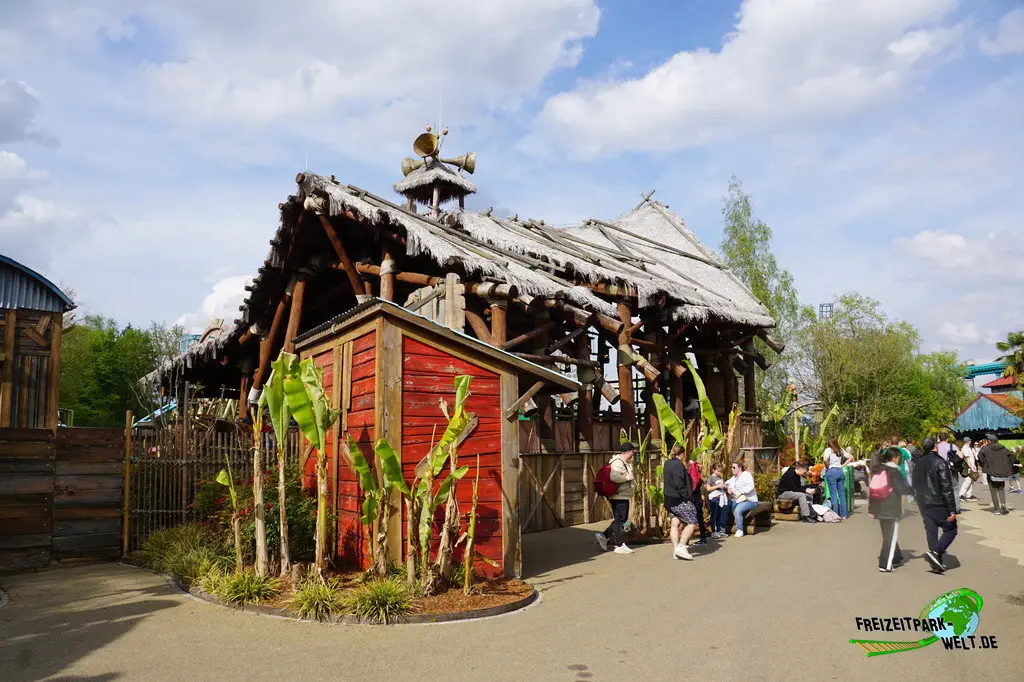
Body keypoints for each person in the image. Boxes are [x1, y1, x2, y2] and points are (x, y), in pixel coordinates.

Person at [913, 437, 958, 573]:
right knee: (951, 529)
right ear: (935, 447)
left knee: (931, 530)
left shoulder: (918, 463)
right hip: (938, 501)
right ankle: (936, 552)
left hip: (923, 501)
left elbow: (915, 483)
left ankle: (936, 561)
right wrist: (952, 509)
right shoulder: (939, 461)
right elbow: (946, 486)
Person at [869, 447, 911, 572]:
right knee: (890, 537)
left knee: (888, 535)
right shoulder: (894, 471)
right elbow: (901, 489)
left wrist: (872, 510)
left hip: (879, 507)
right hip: (891, 507)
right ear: (894, 458)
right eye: (899, 458)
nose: (900, 461)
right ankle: (885, 564)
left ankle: (897, 557)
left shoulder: (878, 470)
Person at [596, 442, 636, 553]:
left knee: (619, 520)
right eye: (632, 451)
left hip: (622, 495)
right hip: (619, 495)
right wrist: (627, 477)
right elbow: (614, 476)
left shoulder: (624, 462)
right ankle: (619, 545)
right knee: (621, 521)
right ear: (628, 452)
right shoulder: (618, 462)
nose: (633, 454)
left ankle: (603, 536)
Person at [663, 445, 698, 560]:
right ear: (682, 454)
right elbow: (679, 484)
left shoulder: (667, 463)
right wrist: (687, 497)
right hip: (678, 499)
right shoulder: (678, 465)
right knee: (692, 520)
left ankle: (675, 551)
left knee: (675, 523)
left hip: (669, 499)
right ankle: (681, 546)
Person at [977, 434, 1014, 515]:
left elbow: (979, 457)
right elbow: (1012, 456)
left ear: (989, 441)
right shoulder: (1003, 448)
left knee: (993, 491)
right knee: (1001, 489)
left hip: (990, 472)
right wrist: (1007, 465)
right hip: (1002, 472)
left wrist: (985, 464)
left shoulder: (985, 448)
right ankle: (1003, 504)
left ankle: (997, 509)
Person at [725, 460, 758, 537]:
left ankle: (740, 530)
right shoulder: (734, 477)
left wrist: (740, 492)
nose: (732, 469)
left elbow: (751, 486)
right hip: (739, 500)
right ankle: (723, 527)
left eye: (734, 467)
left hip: (750, 500)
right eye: (731, 467)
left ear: (739, 468)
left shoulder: (746, 475)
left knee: (737, 510)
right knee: (727, 506)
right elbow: (727, 482)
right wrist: (728, 487)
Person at [822, 437, 851, 519]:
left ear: (829, 442)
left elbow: (825, 459)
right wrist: (842, 466)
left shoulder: (828, 450)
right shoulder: (841, 450)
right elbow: (850, 457)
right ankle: (844, 515)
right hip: (840, 471)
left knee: (833, 494)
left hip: (832, 471)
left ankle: (835, 514)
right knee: (842, 495)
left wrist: (828, 467)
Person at [684, 450, 709, 546]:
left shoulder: (695, 478)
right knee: (698, 519)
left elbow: (693, 487)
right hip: (696, 500)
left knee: (691, 520)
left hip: (694, 500)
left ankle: (699, 539)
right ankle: (699, 538)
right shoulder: (697, 477)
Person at [706, 463, 729, 538]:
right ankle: (713, 531)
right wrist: (717, 486)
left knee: (719, 515)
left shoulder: (720, 477)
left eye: (720, 471)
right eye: (718, 471)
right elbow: (708, 488)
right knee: (714, 515)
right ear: (713, 470)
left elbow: (722, 487)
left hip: (721, 498)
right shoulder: (711, 478)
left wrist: (725, 486)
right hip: (714, 498)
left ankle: (719, 531)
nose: (719, 473)